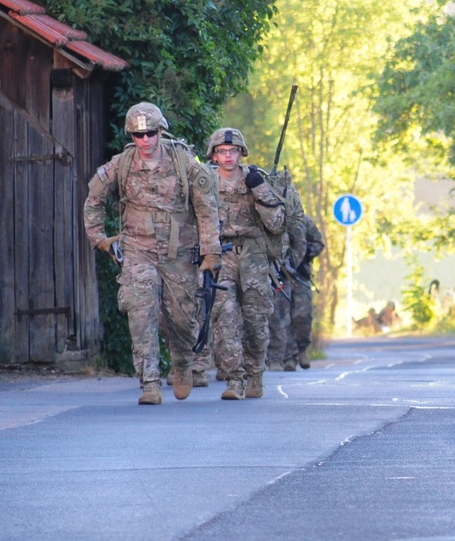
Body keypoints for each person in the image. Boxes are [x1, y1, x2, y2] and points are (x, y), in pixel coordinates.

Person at [84, 102, 221, 405]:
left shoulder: (184, 162)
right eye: (138, 135)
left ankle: (183, 361)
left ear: (161, 131)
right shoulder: (121, 164)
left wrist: (211, 252)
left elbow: (206, 209)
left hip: (179, 254)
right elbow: (93, 199)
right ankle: (149, 383)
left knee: (182, 319)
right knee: (141, 314)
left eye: (150, 133)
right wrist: (99, 239)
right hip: (137, 250)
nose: (144, 140)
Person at [207, 128, 286, 398]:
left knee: (255, 320)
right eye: (222, 151)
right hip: (220, 253)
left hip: (253, 254)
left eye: (233, 151)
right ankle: (235, 380)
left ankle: (255, 374)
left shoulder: (256, 180)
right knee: (224, 316)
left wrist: (260, 189)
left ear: (241, 153)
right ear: (214, 155)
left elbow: (276, 224)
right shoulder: (204, 182)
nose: (228, 156)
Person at [274, 214, 325, 370]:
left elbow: (318, 243)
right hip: (280, 276)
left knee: (302, 316)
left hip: (300, 276)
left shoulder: (304, 221)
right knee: (283, 317)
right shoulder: (274, 218)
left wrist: (303, 254)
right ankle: (289, 357)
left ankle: (302, 349)